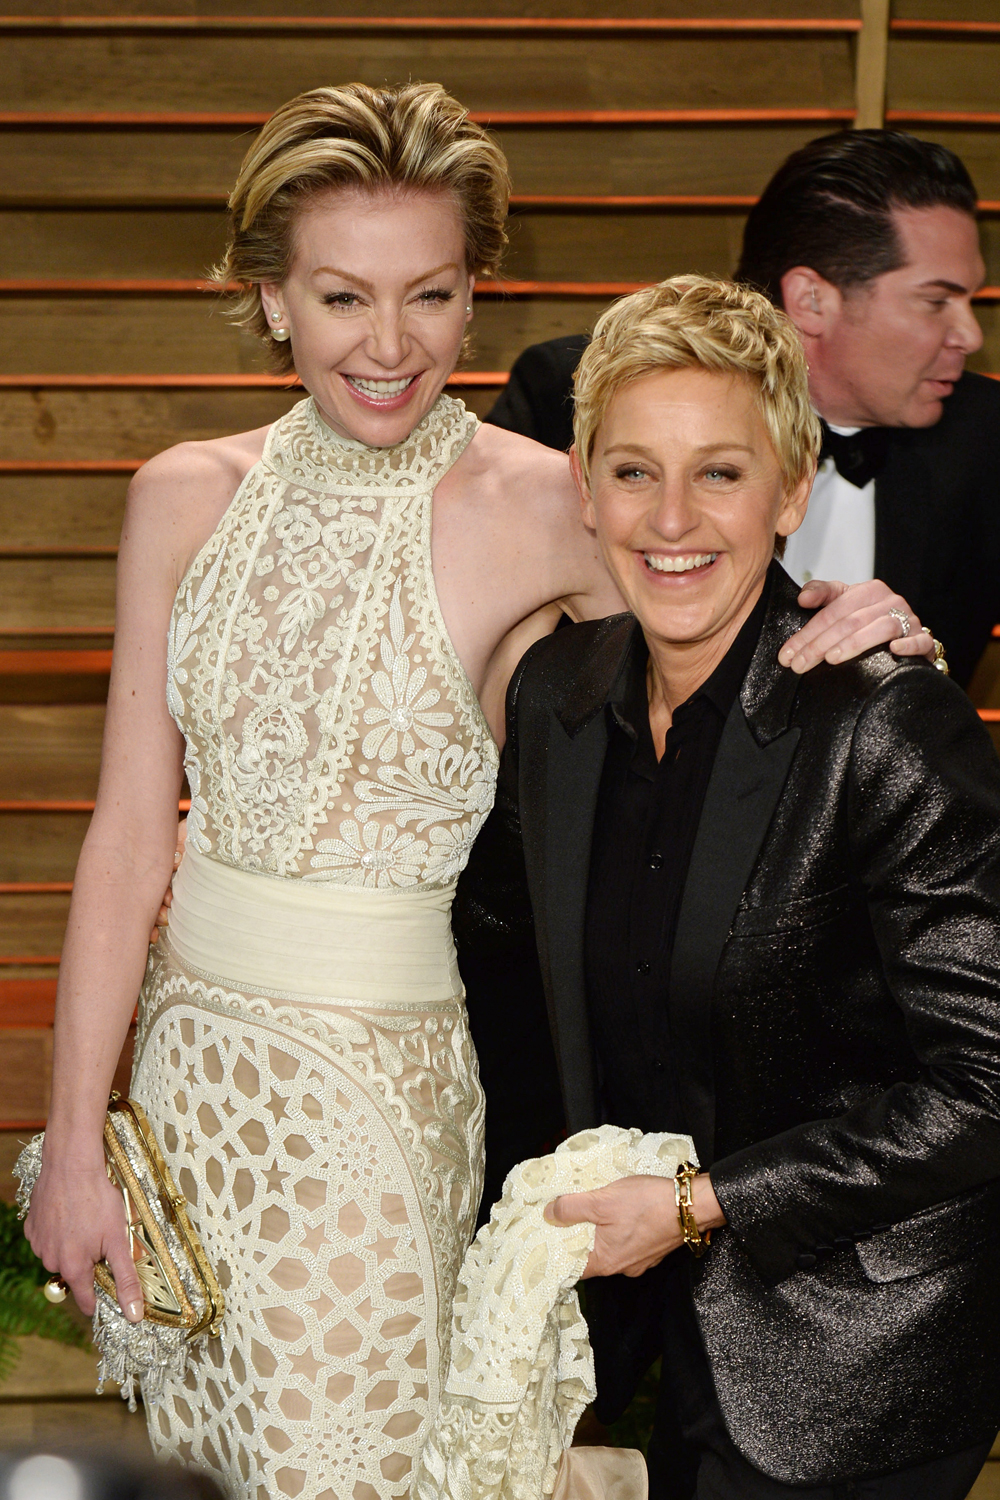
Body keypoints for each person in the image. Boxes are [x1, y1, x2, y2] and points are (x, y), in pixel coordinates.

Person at [23, 83, 933, 1500]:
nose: (388, 346)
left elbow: (711, 562)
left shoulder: (546, 498)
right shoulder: (180, 495)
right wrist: (74, 1143)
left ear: (475, 294)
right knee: (212, 1465)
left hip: (378, 1100)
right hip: (188, 1094)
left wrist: (870, 615)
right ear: (271, 301)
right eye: (340, 297)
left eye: (430, 296)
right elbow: (131, 828)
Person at [456, 275, 1000, 1499]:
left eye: (721, 471)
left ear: (792, 491)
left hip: (853, 1351)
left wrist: (700, 1205)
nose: (671, 517)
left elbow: (986, 1080)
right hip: (628, 1340)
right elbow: (494, 966)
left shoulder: (886, 725)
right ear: (584, 488)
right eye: (634, 471)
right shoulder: (556, 700)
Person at [487, 129, 998, 689]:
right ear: (811, 300)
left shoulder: (985, 440)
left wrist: (921, 669)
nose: (969, 334)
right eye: (935, 301)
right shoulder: (567, 398)